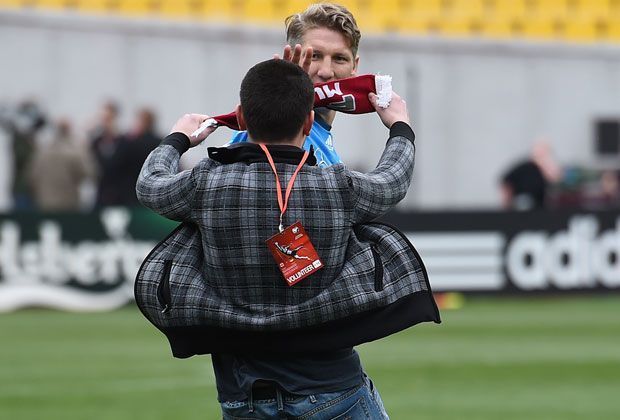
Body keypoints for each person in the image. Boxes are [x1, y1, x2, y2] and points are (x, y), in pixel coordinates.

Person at [136, 59, 418, 419]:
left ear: (240, 117)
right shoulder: (337, 186)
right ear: (307, 122)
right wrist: (400, 128)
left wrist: (178, 139)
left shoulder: (204, 184)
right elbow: (392, 180)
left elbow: (149, 184)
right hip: (335, 393)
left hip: (243, 399)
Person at [229, 2, 361, 167]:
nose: (326, 72)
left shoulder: (321, 135)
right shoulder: (270, 130)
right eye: (314, 56)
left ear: (354, 66)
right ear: (291, 58)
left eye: (339, 58)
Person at [27, 119, 96, 211]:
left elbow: (32, 177)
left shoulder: (41, 153)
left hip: (45, 202)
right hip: (69, 203)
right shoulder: (74, 153)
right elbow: (88, 173)